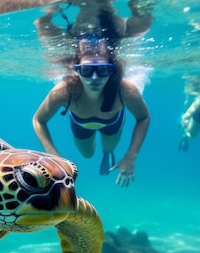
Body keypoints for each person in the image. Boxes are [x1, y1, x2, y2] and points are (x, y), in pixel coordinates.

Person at [32, 37, 150, 187]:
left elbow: (144, 117)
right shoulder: (64, 91)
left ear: (111, 70)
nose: (94, 78)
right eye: (86, 70)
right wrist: (55, 157)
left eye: (102, 70)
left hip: (112, 123)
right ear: (77, 70)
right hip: (81, 125)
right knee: (87, 154)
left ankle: (107, 153)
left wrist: (130, 157)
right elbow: (38, 120)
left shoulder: (126, 91)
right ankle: (103, 150)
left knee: (109, 147)